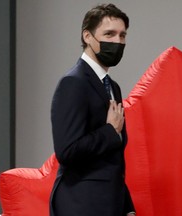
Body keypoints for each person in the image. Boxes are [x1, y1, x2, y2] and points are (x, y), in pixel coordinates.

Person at [49, 3, 136, 216]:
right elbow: (67, 151)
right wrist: (109, 130)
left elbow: (112, 159)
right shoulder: (73, 82)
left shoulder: (112, 86)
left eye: (122, 35)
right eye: (109, 34)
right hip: (81, 203)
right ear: (87, 36)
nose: (117, 41)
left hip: (109, 204)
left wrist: (127, 206)